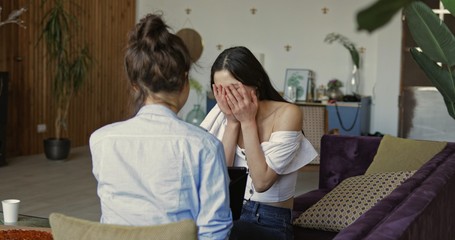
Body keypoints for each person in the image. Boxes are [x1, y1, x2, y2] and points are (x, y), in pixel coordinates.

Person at [89, 13, 232, 240]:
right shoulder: (205, 146)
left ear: (135, 85)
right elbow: (214, 230)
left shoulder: (100, 141)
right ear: (185, 81)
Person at [201, 46, 317, 240]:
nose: (228, 97)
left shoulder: (287, 113)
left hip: (269, 221)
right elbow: (219, 180)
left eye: (234, 88)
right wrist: (232, 123)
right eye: (220, 90)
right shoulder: (222, 113)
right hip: (228, 212)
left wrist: (247, 122)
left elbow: (262, 181)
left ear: (255, 82)